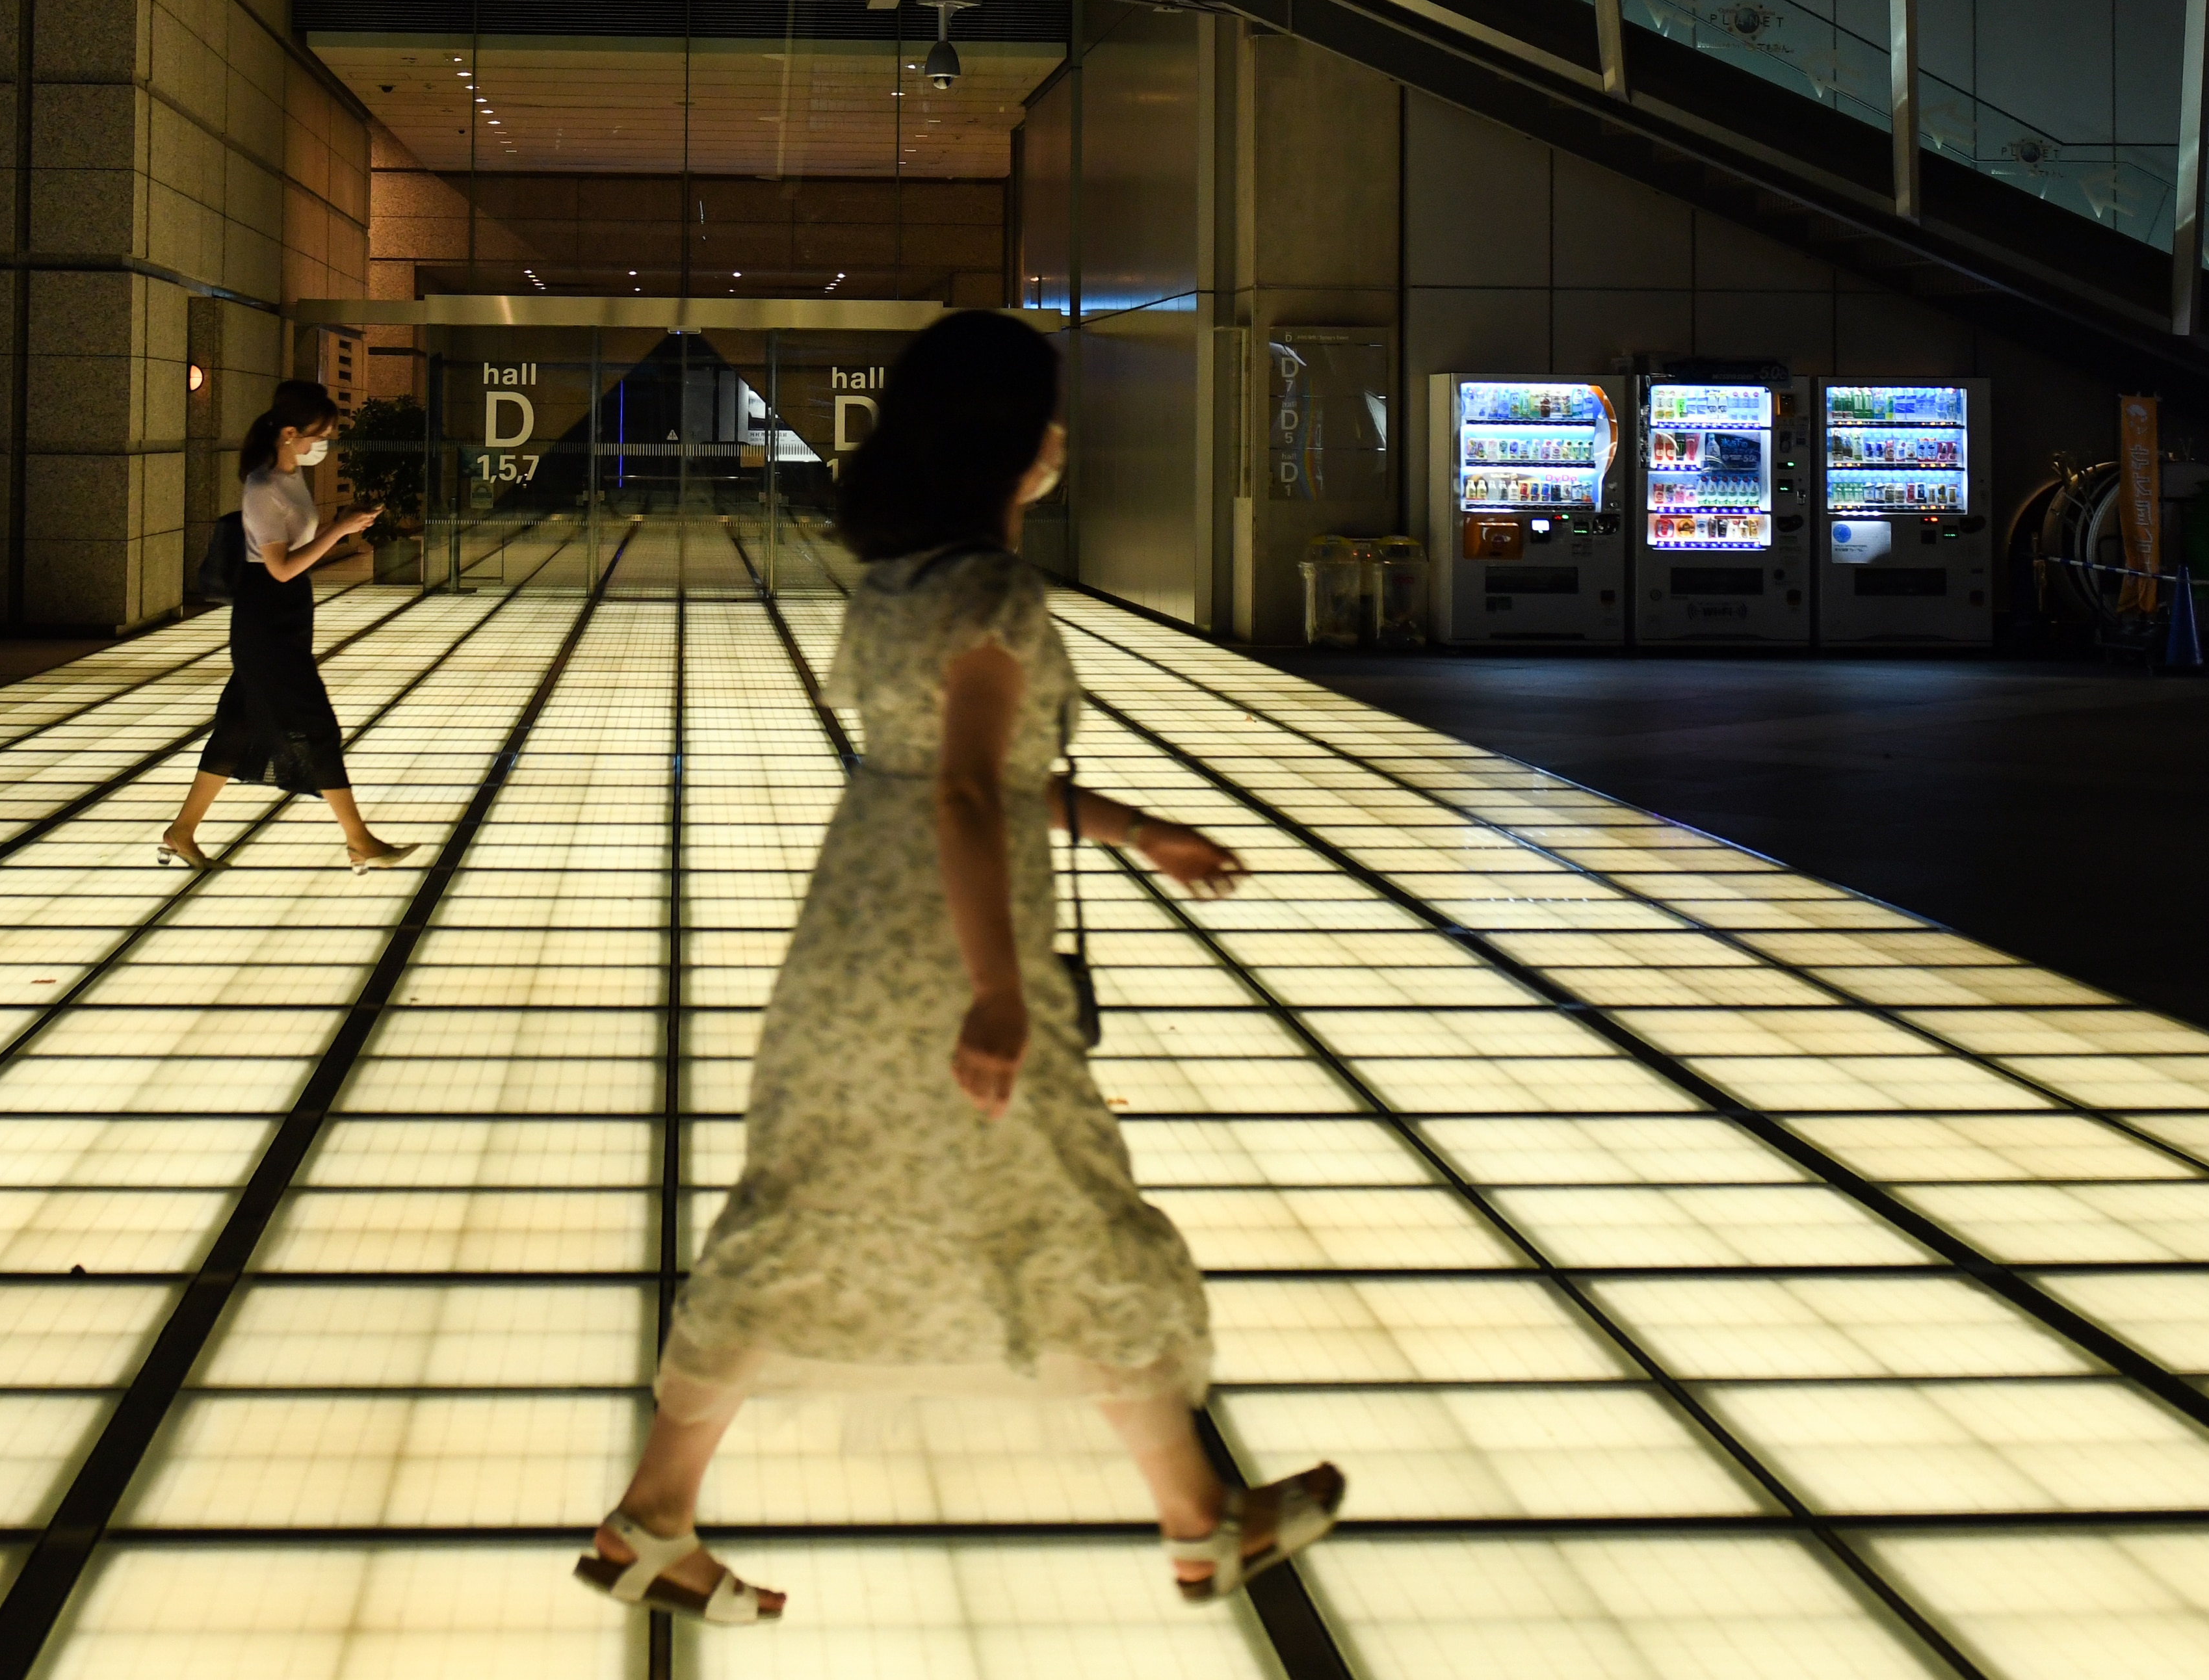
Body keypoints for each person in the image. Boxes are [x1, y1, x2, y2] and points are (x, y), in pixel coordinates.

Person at [575, 311, 1344, 1627]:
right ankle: (1198, 1522)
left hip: (850, 949)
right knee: (1059, 1203)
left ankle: (653, 1515)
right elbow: (972, 796)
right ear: (1013, 442)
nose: (1057, 440)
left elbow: (942, 770)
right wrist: (996, 994)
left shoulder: (893, 585)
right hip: (952, 950)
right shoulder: (995, 593)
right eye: (1047, 417)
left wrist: (1132, 827)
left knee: (807, 1200)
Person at [158, 378, 419, 874]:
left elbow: (296, 552)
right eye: (318, 435)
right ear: (291, 432)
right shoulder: (262, 487)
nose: (323, 445)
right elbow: (278, 568)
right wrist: (339, 531)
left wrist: (342, 522)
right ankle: (359, 839)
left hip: (288, 614)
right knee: (316, 725)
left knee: (237, 727)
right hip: (266, 619)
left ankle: (182, 831)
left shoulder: (290, 475)